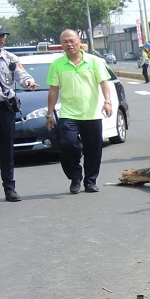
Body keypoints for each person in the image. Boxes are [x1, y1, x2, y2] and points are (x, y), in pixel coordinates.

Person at [45, 29, 114, 194]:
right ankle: (75, 177)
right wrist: (49, 113)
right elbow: (53, 90)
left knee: (93, 150)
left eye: (72, 40)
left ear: (79, 41)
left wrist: (107, 101)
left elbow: (104, 83)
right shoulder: (57, 65)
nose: (69, 44)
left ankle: (90, 181)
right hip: (69, 114)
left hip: (91, 114)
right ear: (61, 44)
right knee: (68, 145)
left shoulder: (94, 61)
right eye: (65, 42)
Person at [0, 21, 38, 206]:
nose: (1, 39)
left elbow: (22, 75)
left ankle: (10, 188)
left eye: (3, 36)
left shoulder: (10, 58)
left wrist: (29, 83)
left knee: (7, 150)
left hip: (7, 109)